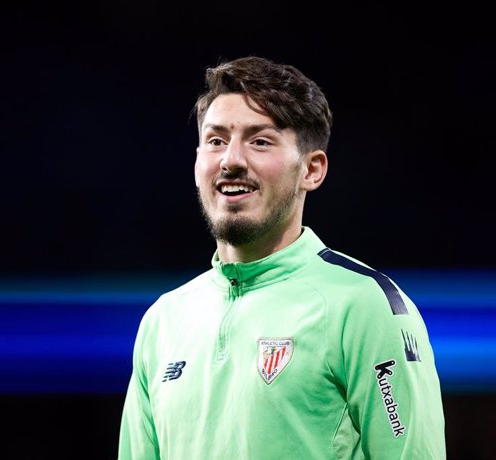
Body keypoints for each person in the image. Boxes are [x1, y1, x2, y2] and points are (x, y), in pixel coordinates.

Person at [117, 56, 446, 459]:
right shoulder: (163, 322)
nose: (231, 160)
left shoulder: (364, 306)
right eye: (216, 140)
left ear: (312, 170)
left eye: (260, 141)